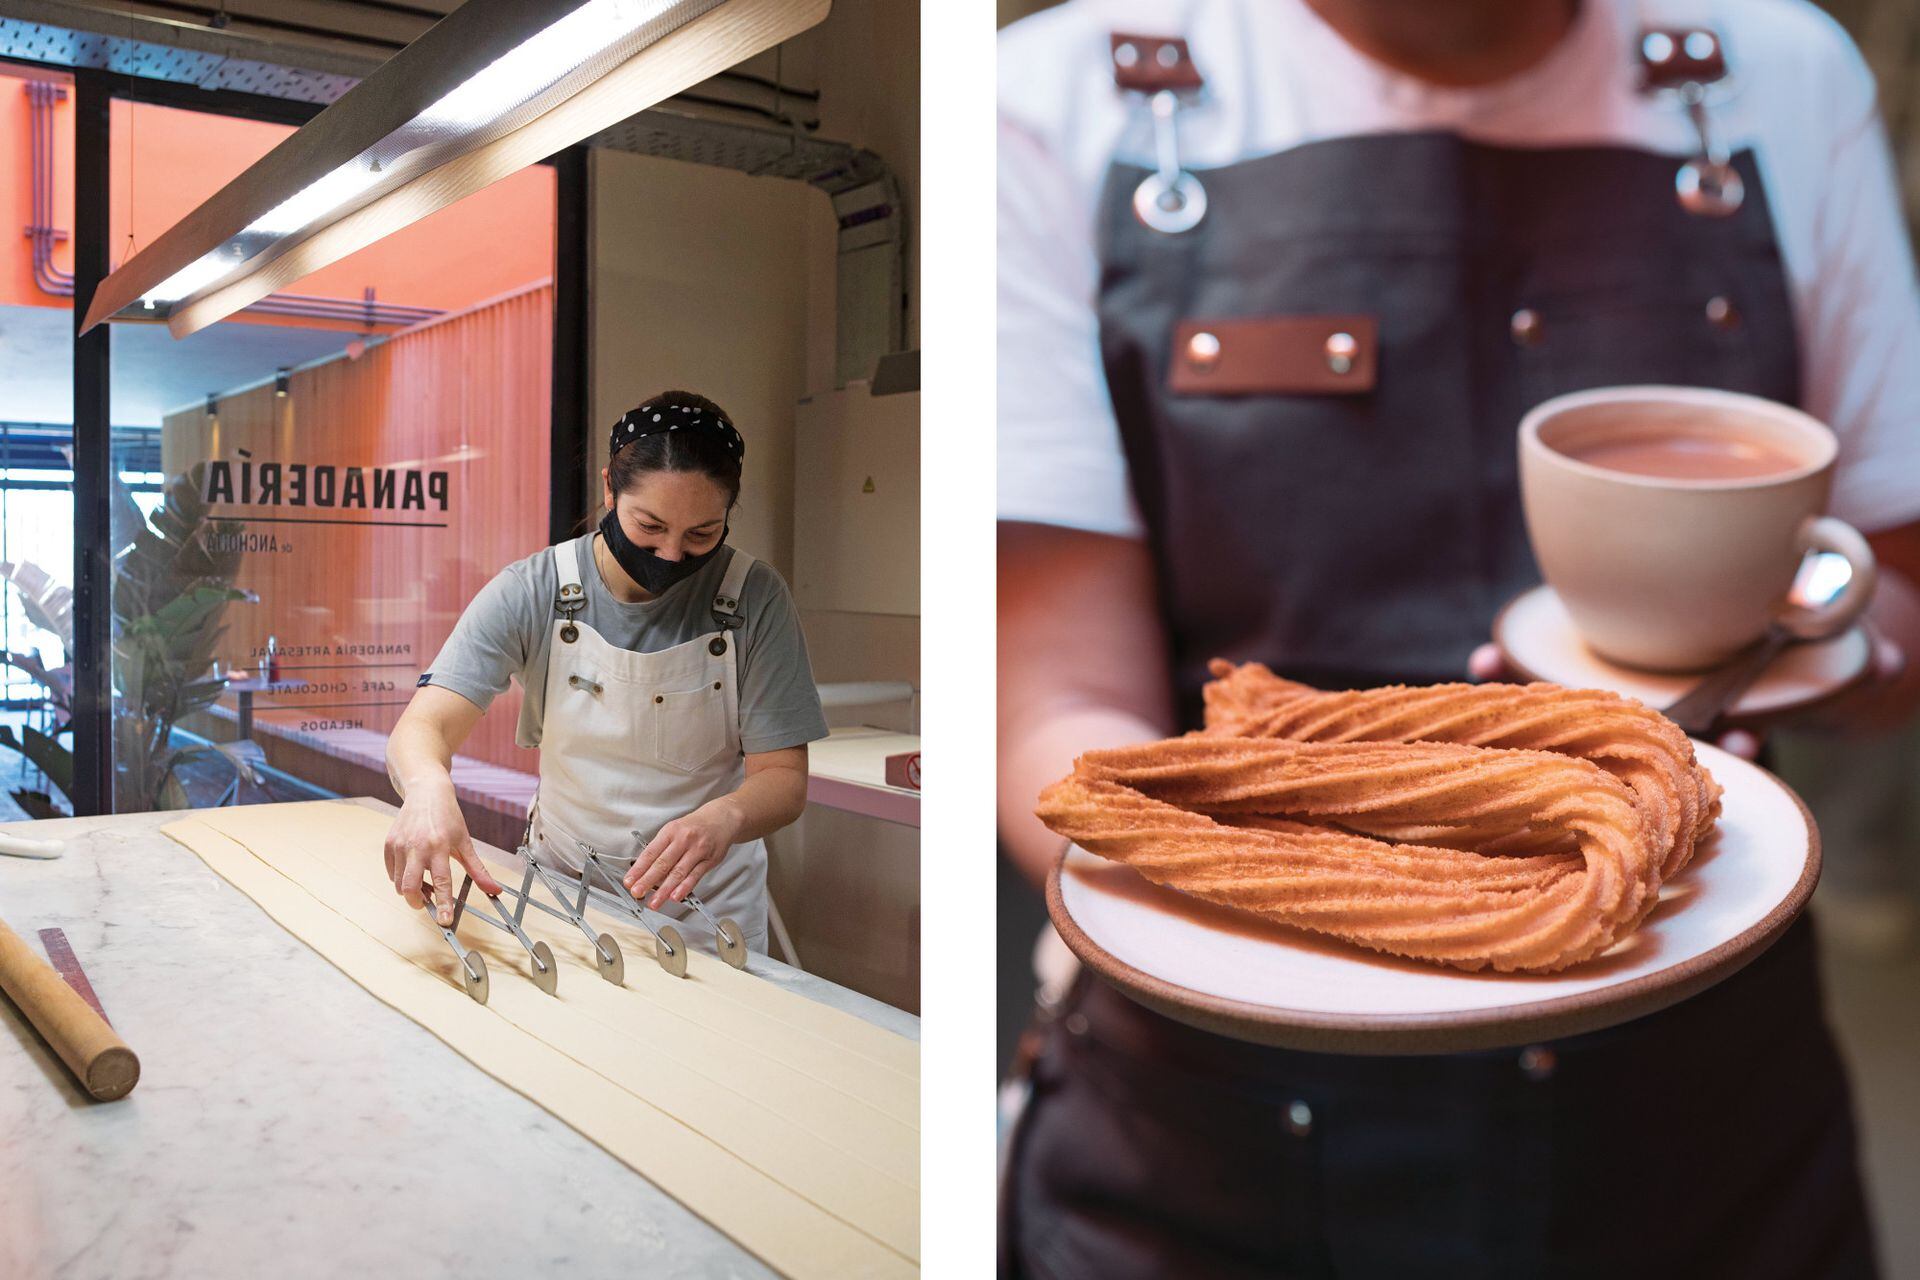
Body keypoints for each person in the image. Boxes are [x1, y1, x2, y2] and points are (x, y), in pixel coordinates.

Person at [997, 0, 1920, 1274]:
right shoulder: (1052, 100)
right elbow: (1057, 712)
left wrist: (1801, 657)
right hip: (1212, 1125)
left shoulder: (1781, 73)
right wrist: (1385, 898)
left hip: (1701, 1116)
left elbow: (1897, 613)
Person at [384, 389, 826, 957]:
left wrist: (727, 815)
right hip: (565, 893)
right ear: (609, 489)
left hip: (706, 912)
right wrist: (426, 786)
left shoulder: (754, 598)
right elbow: (425, 725)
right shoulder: (536, 589)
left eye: (701, 535)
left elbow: (784, 777)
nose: (670, 555)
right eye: (649, 525)